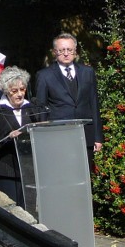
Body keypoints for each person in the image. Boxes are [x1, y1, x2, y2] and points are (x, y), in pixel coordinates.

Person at [34, 33, 103, 171]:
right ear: (54, 52)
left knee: (85, 173)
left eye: (69, 50)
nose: (66, 54)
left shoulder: (87, 72)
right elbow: (41, 109)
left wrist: (97, 137)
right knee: (64, 173)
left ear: (75, 51)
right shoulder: (44, 75)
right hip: (59, 136)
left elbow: (94, 104)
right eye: (61, 50)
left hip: (85, 134)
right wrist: (43, 138)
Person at [0, 66, 41, 208]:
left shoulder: (31, 108)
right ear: (6, 90)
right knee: (12, 209)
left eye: (23, 89)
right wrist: (7, 137)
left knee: (29, 209)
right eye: (15, 91)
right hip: (6, 167)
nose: (20, 94)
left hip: (29, 167)